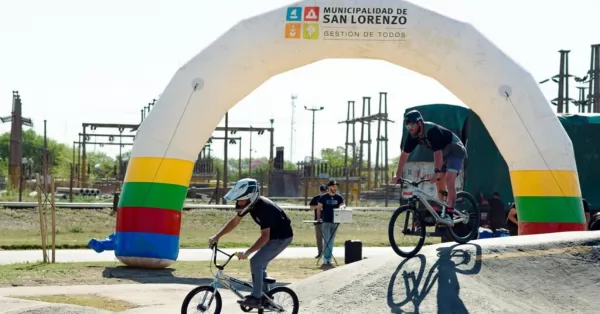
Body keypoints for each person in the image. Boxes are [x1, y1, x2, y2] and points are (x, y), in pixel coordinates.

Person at [208, 178, 294, 309]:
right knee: (259, 264)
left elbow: (265, 237)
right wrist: (217, 236)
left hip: (281, 238)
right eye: (238, 199)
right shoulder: (250, 204)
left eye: (241, 199)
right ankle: (266, 293)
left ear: (250, 197)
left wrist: (247, 252)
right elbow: (234, 221)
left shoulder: (264, 208)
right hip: (272, 237)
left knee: (256, 262)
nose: (238, 202)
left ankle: (257, 297)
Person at [393, 109, 467, 226]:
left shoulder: (431, 131)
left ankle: (450, 214)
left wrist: (436, 172)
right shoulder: (413, 136)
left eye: (412, 124)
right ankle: (444, 211)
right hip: (444, 153)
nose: (410, 128)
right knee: (439, 183)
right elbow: (404, 155)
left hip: (455, 149)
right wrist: (397, 174)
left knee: (448, 179)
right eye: (407, 125)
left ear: (419, 123)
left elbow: (437, 153)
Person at [315, 180, 345, 266]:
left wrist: (342, 207)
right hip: (326, 221)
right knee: (326, 240)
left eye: (336, 187)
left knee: (331, 241)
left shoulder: (338, 197)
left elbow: (342, 204)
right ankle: (325, 258)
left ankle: (329, 258)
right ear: (329, 187)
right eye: (333, 186)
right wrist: (318, 218)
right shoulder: (323, 197)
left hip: (335, 222)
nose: (335, 188)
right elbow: (319, 208)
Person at [309, 184, 328, 258]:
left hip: (327, 220)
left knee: (327, 238)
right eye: (322, 191)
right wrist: (319, 206)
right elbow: (311, 207)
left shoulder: (329, 198)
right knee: (319, 238)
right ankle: (320, 252)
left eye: (325, 191)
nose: (323, 192)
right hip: (318, 220)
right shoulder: (316, 198)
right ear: (320, 191)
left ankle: (327, 253)